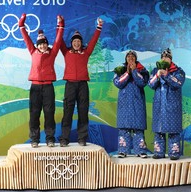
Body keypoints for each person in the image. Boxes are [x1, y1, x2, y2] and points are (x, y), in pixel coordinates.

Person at [18, 13, 64, 148]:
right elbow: (26, 39)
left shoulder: (53, 52)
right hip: (35, 87)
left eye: (44, 44)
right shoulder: (33, 51)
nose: (43, 46)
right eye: (40, 44)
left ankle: (50, 139)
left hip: (48, 87)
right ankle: (34, 139)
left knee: (49, 114)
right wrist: (21, 25)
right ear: (37, 45)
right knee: (34, 114)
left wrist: (60, 25)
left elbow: (58, 40)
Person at [59, 17, 103, 147]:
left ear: (81, 43)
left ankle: (82, 138)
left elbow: (94, 41)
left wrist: (99, 27)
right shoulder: (66, 52)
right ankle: (64, 139)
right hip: (70, 85)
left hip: (83, 85)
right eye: (75, 41)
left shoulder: (86, 52)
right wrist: (60, 25)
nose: (77, 43)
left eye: (79, 41)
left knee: (83, 112)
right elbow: (59, 40)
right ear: (71, 42)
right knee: (67, 112)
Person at [148, 48, 185, 160]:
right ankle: (159, 152)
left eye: (167, 57)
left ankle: (174, 153)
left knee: (173, 130)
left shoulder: (178, 71)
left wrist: (167, 74)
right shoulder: (155, 70)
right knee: (159, 130)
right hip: (159, 105)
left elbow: (178, 83)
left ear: (171, 59)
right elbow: (150, 84)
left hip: (173, 105)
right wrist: (158, 75)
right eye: (163, 57)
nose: (165, 59)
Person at [113, 50, 149, 158]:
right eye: (128, 56)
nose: (130, 58)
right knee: (124, 128)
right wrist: (128, 73)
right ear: (125, 59)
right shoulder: (120, 70)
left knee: (138, 128)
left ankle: (140, 150)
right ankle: (123, 150)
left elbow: (142, 82)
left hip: (138, 102)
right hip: (124, 103)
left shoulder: (143, 70)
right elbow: (118, 83)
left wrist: (134, 71)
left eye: (133, 56)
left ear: (136, 58)